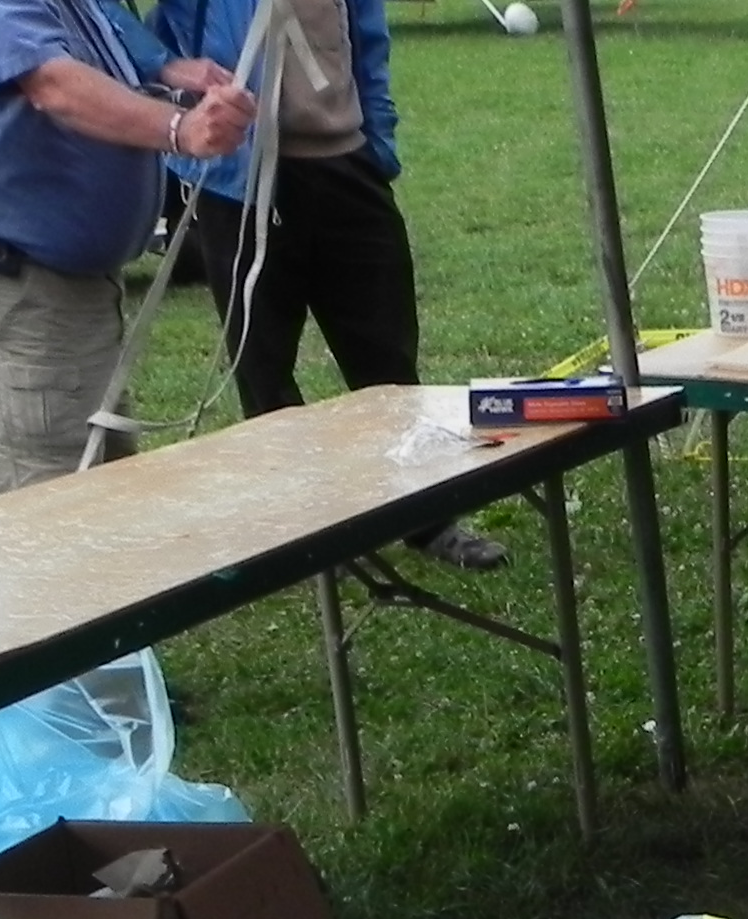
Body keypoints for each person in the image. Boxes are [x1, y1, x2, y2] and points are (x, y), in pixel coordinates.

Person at [156, 0, 500, 568]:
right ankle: (310, 528)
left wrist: (377, 144)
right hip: (241, 178)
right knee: (264, 367)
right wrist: (168, 67)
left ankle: (426, 518)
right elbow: (111, 21)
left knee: (386, 357)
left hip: (346, 162)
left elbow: (368, 38)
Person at [0, 0, 255, 496]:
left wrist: (173, 94)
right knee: (57, 507)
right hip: (12, 278)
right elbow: (52, 83)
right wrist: (181, 128)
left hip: (39, 281)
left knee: (102, 490)